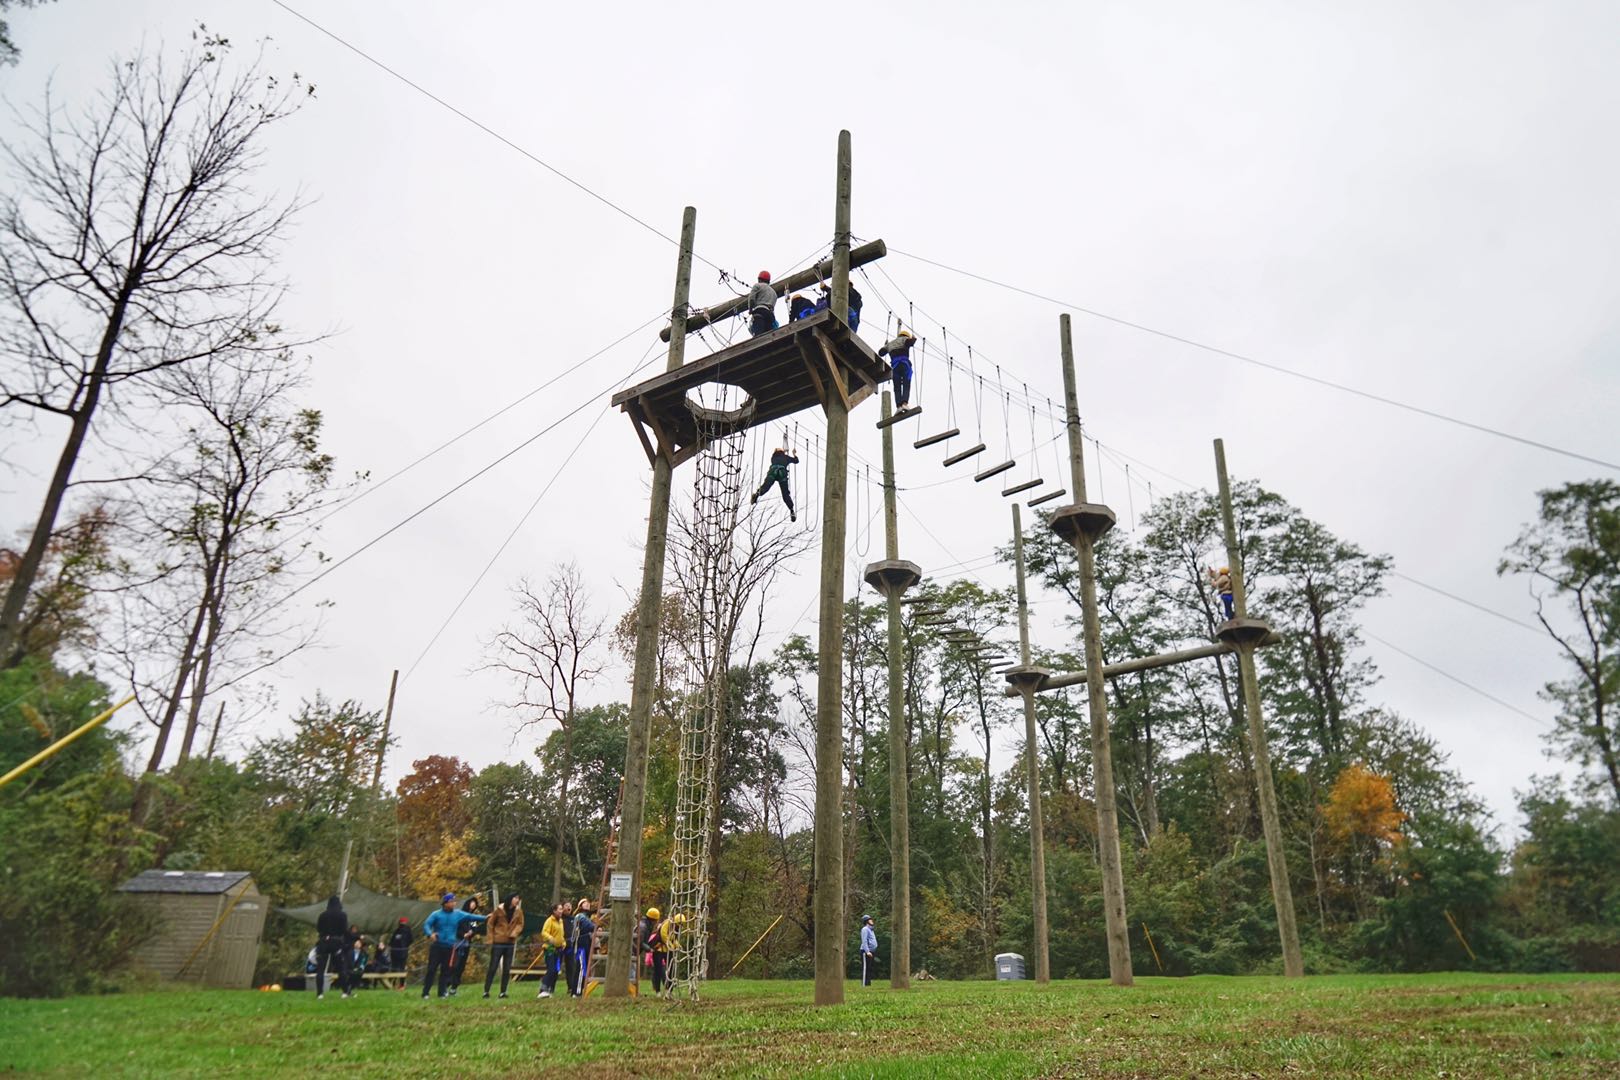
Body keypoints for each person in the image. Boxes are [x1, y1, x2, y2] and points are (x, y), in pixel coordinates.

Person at [421, 892, 487, 1000]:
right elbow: (427, 924)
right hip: (437, 946)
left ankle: (441, 993)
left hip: (450, 947)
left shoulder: (458, 914)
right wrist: (430, 934)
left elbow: (471, 916)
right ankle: (425, 993)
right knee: (432, 969)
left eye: (454, 901)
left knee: (446, 970)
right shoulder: (436, 914)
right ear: (445, 903)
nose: (454, 904)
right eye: (451, 902)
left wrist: (486, 918)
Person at [313, 896, 354, 1000]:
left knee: (320, 969)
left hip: (323, 942)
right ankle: (345, 992)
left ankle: (320, 994)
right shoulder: (342, 915)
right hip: (336, 943)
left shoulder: (322, 915)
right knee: (341, 968)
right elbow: (344, 930)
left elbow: (319, 929)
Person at [484, 894, 524, 999]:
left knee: (507, 968)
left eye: (518, 899)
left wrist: (515, 932)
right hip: (498, 941)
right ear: (510, 899)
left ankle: (503, 992)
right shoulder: (499, 909)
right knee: (493, 967)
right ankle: (486, 991)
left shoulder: (518, 911)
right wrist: (490, 939)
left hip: (510, 942)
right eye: (515, 898)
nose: (517, 900)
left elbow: (520, 924)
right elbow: (490, 923)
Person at [750, 447, 800, 521]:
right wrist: (794, 454)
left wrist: (784, 452)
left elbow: (780, 455)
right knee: (785, 493)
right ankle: (791, 510)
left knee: (766, 486)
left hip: (773, 471)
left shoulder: (773, 457)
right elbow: (796, 461)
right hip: (782, 473)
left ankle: (757, 494)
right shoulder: (786, 457)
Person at [447, 896, 482, 996]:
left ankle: (454, 989)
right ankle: (445, 986)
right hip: (457, 944)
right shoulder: (460, 915)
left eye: (475, 904)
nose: (473, 905)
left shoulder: (473, 918)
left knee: (461, 967)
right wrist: (463, 934)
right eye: (472, 902)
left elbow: (475, 928)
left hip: (466, 945)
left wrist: (472, 933)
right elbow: (455, 928)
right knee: (453, 966)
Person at [878, 328, 918, 409]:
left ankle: (899, 406)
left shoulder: (890, 344)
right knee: (906, 384)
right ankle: (904, 403)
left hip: (895, 367)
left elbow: (881, 353)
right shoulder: (905, 339)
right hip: (904, 364)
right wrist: (913, 339)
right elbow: (909, 342)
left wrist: (885, 346)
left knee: (897, 387)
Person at [538, 901, 569, 999]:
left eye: (561, 909)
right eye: (559, 909)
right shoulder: (549, 920)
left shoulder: (561, 921)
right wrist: (550, 938)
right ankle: (543, 990)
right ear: (554, 911)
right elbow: (544, 932)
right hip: (550, 949)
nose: (561, 911)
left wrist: (563, 942)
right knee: (551, 969)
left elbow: (561, 935)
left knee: (556, 971)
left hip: (559, 949)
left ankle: (550, 989)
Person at [571, 898, 596, 998]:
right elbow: (589, 926)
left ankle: (579, 990)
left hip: (586, 945)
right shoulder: (580, 916)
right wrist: (595, 925)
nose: (588, 904)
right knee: (581, 968)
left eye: (588, 903)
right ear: (580, 906)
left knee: (583, 968)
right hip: (580, 945)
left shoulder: (587, 917)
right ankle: (577, 992)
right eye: (585, 903)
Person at [746, 271, 777, 337]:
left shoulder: (757, 286)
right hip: (770, 315)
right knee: (768, 335)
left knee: (759, 335)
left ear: (759, 279)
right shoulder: (774, 293)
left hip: (759, 311)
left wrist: (750, 309)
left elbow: (751, 299)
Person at [640, 907, 664, 994]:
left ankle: (632, 992)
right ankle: (630, 993)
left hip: (635, 951)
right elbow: (640, 942)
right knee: (632, 972)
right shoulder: (643, 927)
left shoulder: (645, 925)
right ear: (653, 920)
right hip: (632, 952)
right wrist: (649, 949)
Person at [860, 914, 878, 988]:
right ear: (866, 921)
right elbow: (864, 941)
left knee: (869, 968)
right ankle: (864, 985)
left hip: (871, 951)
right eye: (870, 919)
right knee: (865, 968)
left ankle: (868, 984)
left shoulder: (871, 930)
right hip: (866, 952)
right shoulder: (865, 929)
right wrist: (867, 951)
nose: (872, 920)